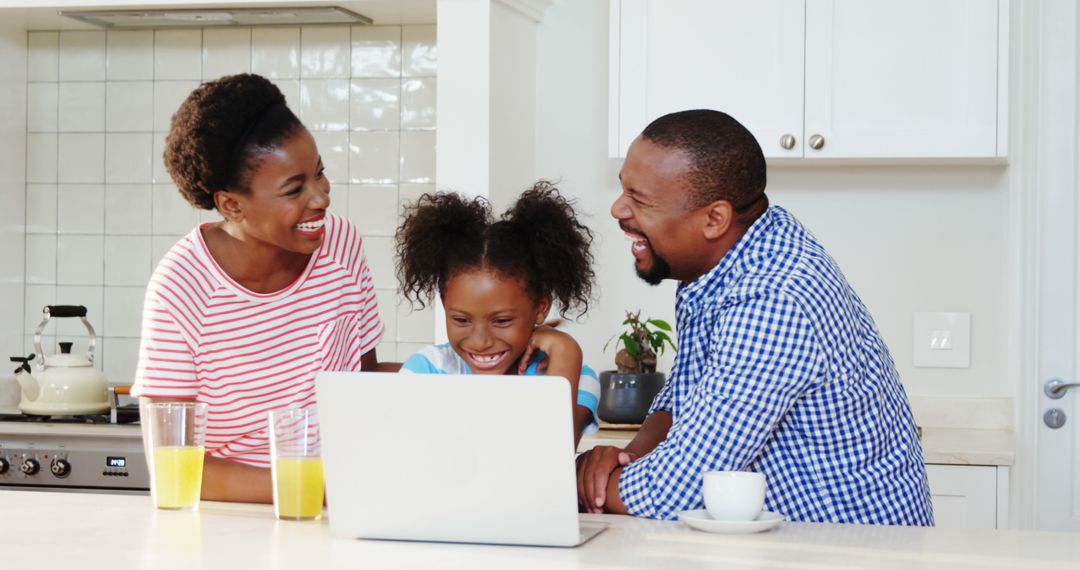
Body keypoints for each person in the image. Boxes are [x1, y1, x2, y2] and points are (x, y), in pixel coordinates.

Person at [576, 109, 933, 525]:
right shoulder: (724, 261)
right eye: (624, 190)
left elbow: (674, 490)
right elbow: (681, 402)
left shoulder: (773, 296)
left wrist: (572, 484)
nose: (618, 209)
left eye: (640, 199)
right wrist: (625, 457)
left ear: (714, 219)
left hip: (855, 551)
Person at [131, 74, 395, 503]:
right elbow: (172, 468)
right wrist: (319, 486)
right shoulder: (181, 286)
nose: (321, 197)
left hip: (337, 510)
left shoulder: (341, 245)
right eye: (295, 189)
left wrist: (504, 357)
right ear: (232, 204)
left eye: (320, 173)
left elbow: (360, 384)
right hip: (232, 526)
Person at [395, 182, 600, 444]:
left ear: (541, 307)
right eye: (461, 319)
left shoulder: (574, 375)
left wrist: (566, 352)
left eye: (501, 321)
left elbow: (549, 458)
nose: (480, 341)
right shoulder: (426, 370)